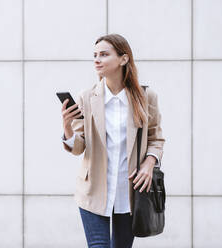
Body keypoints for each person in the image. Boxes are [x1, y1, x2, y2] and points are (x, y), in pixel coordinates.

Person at [60, 34, 165, 248]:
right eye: (95, 55)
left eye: (104, 54)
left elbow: (156, 138)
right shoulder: (86, 97)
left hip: (130, 192)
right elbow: (79, 147)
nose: (97, 60)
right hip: (93, 190)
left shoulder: (145, 97)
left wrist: (149, 163)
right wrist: (67, 127)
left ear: (123, 59)